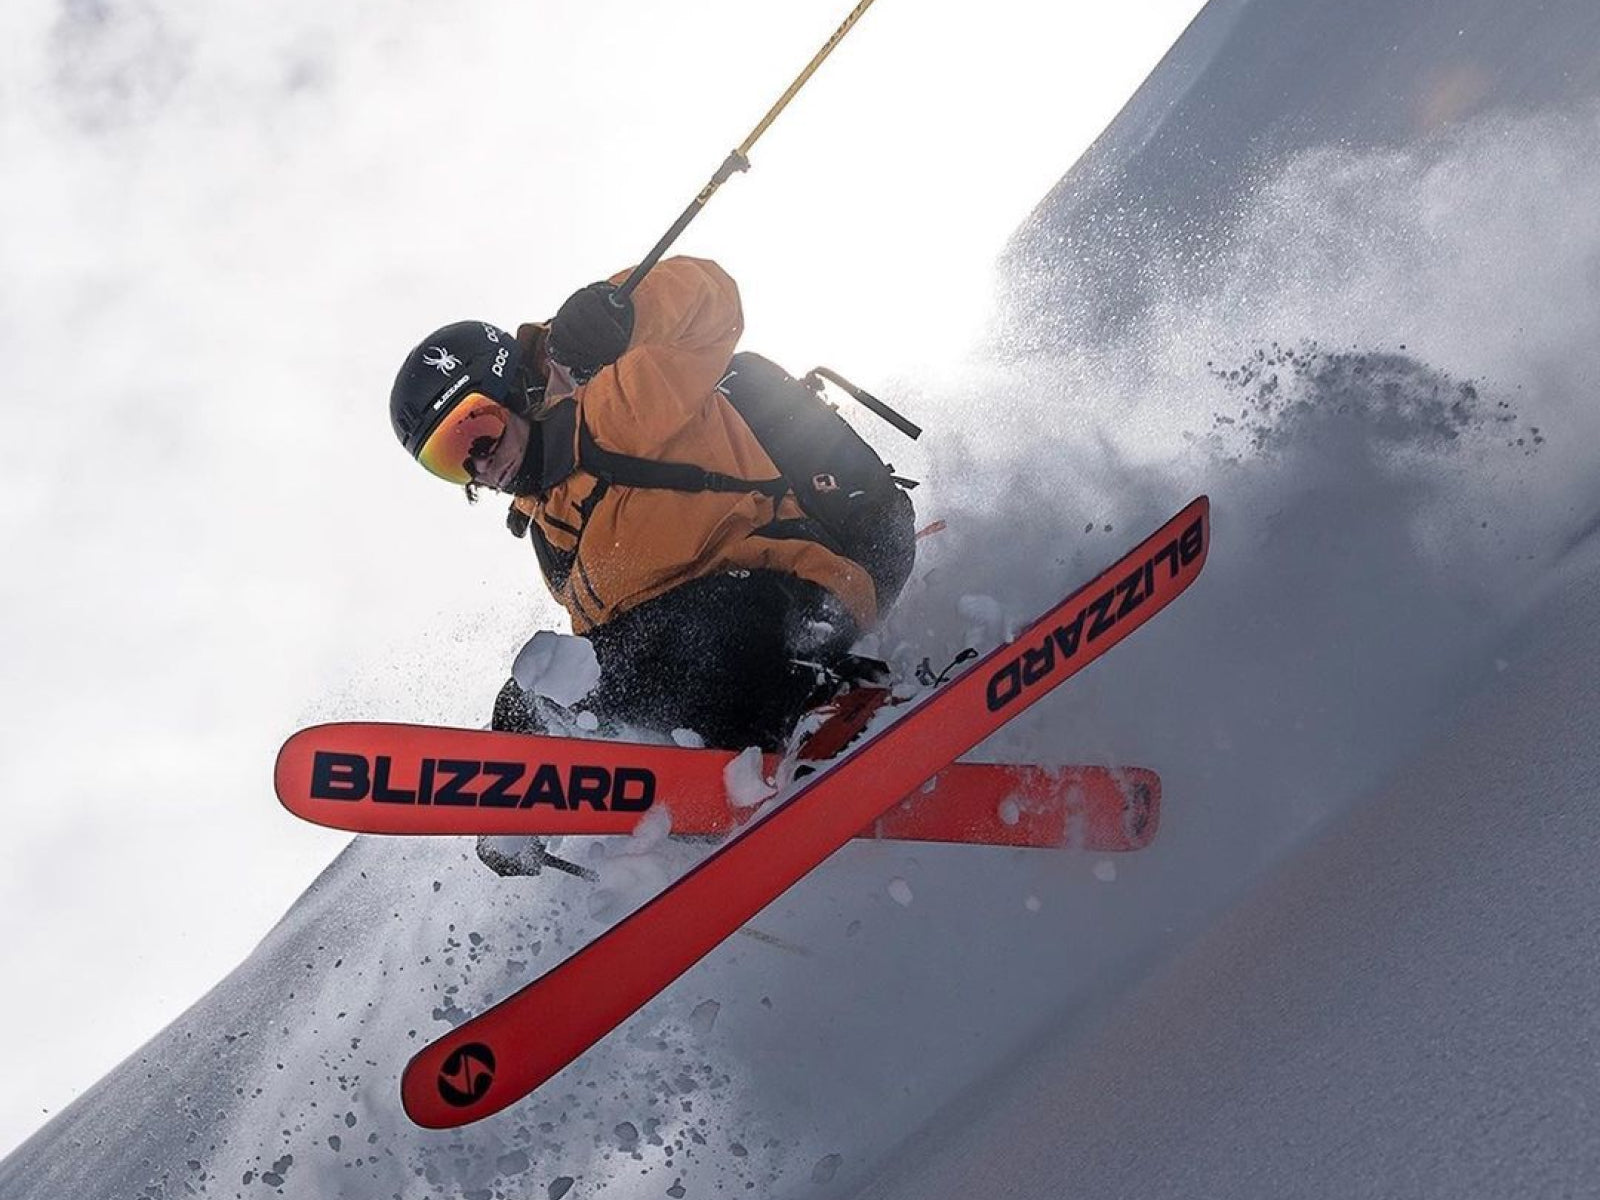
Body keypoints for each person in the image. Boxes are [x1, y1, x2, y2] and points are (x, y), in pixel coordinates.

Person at [389, 256, 916, 756]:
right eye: (450, 459)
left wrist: (627, 311)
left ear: (506, 387)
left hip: (789, 599)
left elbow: (712, 308)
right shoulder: (547, 534)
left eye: (475, 431)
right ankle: (549, 824)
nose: (479, 465)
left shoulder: (620, 399)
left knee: (693, 634)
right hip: (682, 661)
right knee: (532, 701)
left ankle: (833, 703)